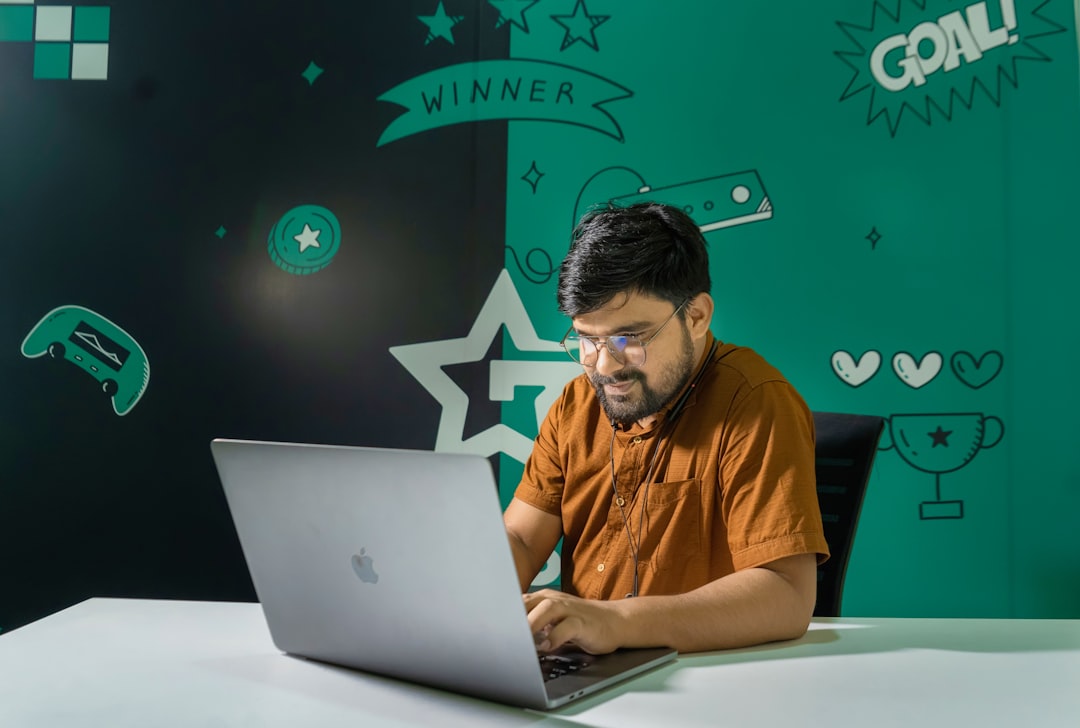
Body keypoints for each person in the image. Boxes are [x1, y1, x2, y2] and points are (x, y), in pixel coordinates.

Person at [503, 201, 828, 655]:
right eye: (586, 338)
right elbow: (520, 536)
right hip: (581, 666)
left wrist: (613, 621)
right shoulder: (576, 405)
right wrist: (463, 600)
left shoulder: (756, 401)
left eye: (627, 338)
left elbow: (787, 596)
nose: (603, 365)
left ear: (695, 317)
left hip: (702, 680)